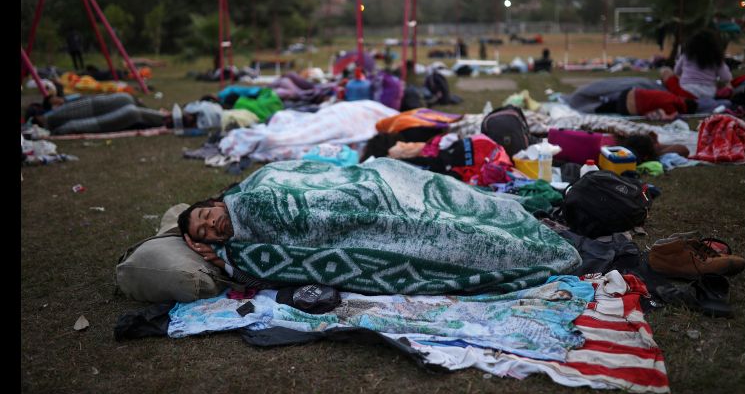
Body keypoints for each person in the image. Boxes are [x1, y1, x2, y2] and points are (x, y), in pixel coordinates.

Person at [178, 158, 581, 295]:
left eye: (205, 217)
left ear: (214, 202)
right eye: (205, 234)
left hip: (374, 184)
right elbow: (275, 262)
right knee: (447, 237)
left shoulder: (255, 186)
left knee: (413, 185)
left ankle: (516, 214)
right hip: (364, 222)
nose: (212, 227)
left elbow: (308, 175)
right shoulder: (242, 249)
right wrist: (222, 257)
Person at [24, 92, 176, 135]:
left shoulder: (59, 109)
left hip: (96, 108)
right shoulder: (56, 122)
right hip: (98, 120)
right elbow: (71, 126)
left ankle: (166, 117)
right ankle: (168, 119)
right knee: (131, 112)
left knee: (125, 98)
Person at [672, 29, 732, 100]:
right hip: (708, 92)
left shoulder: (686, 55)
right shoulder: (716, 58)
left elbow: (676, 71)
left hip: (686, 90)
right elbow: (726, 77)